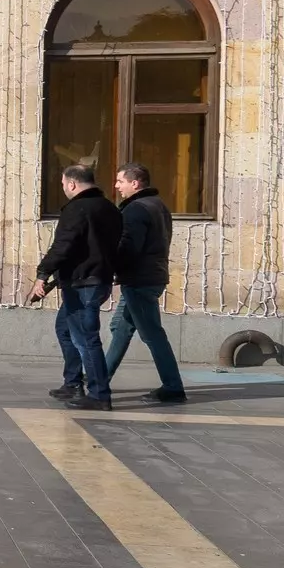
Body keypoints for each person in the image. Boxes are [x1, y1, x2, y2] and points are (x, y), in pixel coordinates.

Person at [28, 164, 124, 412]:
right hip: (97, 280)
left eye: (62, 184)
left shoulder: (76, 209)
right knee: (65, 329)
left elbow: (64, 245)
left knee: (85, 339)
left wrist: (42, 275)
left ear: (72, 184)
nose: (63, 188)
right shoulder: (110, 209)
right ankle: (72, 382)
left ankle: (99, 394)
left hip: (83, 283)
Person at [106, 163, 185, 404]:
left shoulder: (136, 209)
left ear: (135, 183)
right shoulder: (158, 205)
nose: (116, 186)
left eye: (120, 181)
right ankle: (100, 376)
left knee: (152, 334)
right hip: (150, 276)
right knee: (120, 328)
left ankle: (173, 387)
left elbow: (129, 247)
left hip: (139, 280)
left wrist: (110, 266)